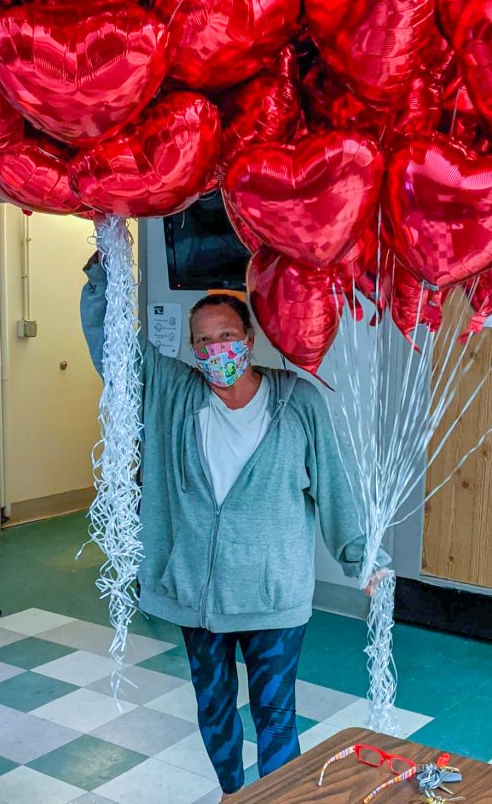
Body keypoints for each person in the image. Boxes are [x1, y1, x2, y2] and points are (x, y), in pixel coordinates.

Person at [81, 253, 389, 799]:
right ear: (193, 351)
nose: (214, 348)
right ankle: (231, 792)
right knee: (215, 706)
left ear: (249, 338)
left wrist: (361, 556)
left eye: (226, 334)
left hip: (273, 596)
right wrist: (104, 275)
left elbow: (333, 485)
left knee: (275, 713)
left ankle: (276, 797)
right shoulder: (174, 393)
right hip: (198, 595)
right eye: (202, 341)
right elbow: (116, 348)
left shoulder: (297, 402)